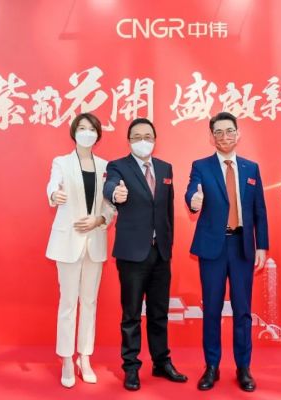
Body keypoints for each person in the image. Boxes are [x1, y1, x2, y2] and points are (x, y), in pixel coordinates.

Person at [185, 112, 269, 392]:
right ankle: (212, 366)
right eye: (218, 132)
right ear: (211, 137)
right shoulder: (201, 166)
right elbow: (191, 193)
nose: (224, 136)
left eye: (229, 130)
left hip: (242, 247)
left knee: (243, 310)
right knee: (212, 309)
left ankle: (244, 367)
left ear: (238, 133)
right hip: (213, 247)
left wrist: (261, 245)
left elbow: (260, 210)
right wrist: (194, 201)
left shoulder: (251, 168)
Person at [103, 118, 187, 391]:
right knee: (131, 314)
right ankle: (131, 367)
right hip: (132, 254)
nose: (143, 140)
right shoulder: (118, 166)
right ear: (129, 140)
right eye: (137, 136)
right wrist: (115, 193)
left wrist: (168, 245)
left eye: (148, 136)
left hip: (160, 252)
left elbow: (168, 209)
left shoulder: (165, 168)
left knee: (159, 312)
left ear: (154, 139)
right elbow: (110, 186)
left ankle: (162, 362)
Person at [45, 113, 115, 388]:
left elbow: (110, 204)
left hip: (94, 241)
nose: (87, 132)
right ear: (74, 132)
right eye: (82, 128)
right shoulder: (61, 162)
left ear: (98, 134)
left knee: (89, 302)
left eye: (92, 129)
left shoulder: (106, 166)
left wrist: (100, 219)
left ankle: (84, 357)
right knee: (68, 302)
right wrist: (54, 195)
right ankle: (66, 358)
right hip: (67, 243)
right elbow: (53, 185)